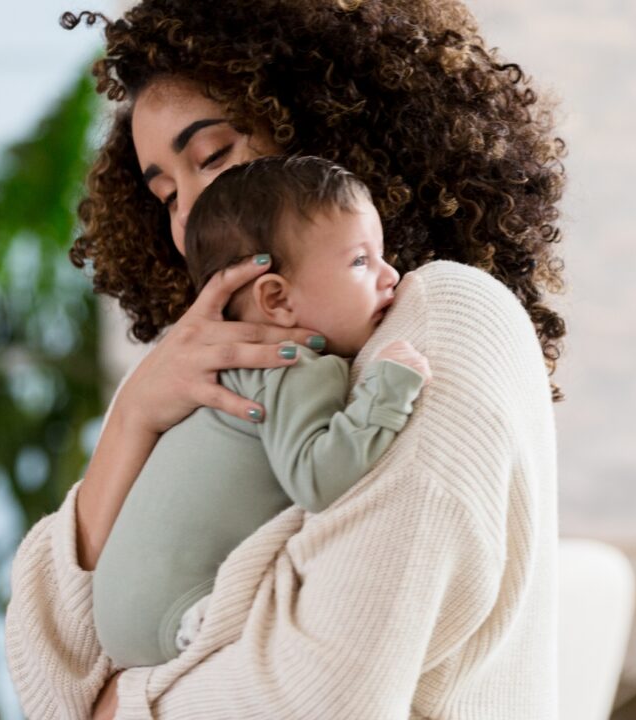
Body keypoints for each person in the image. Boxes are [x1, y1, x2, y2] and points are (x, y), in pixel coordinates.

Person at [5, 0, 566, 717]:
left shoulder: (448, 317)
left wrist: (123, 707)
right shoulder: (208, 370)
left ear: (325, 124)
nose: (192, 214)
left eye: (214, 156)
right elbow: (52, 684)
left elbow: (318, 696)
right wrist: (134, 418)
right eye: (167, 194)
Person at [93, 155, 432, 669]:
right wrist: (388, 390)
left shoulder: (207, 375)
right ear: (276, 299)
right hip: (183, 608)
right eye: (361, 261)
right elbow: (318, 479)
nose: (392, 275)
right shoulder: (294, 364)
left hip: (120, 612)